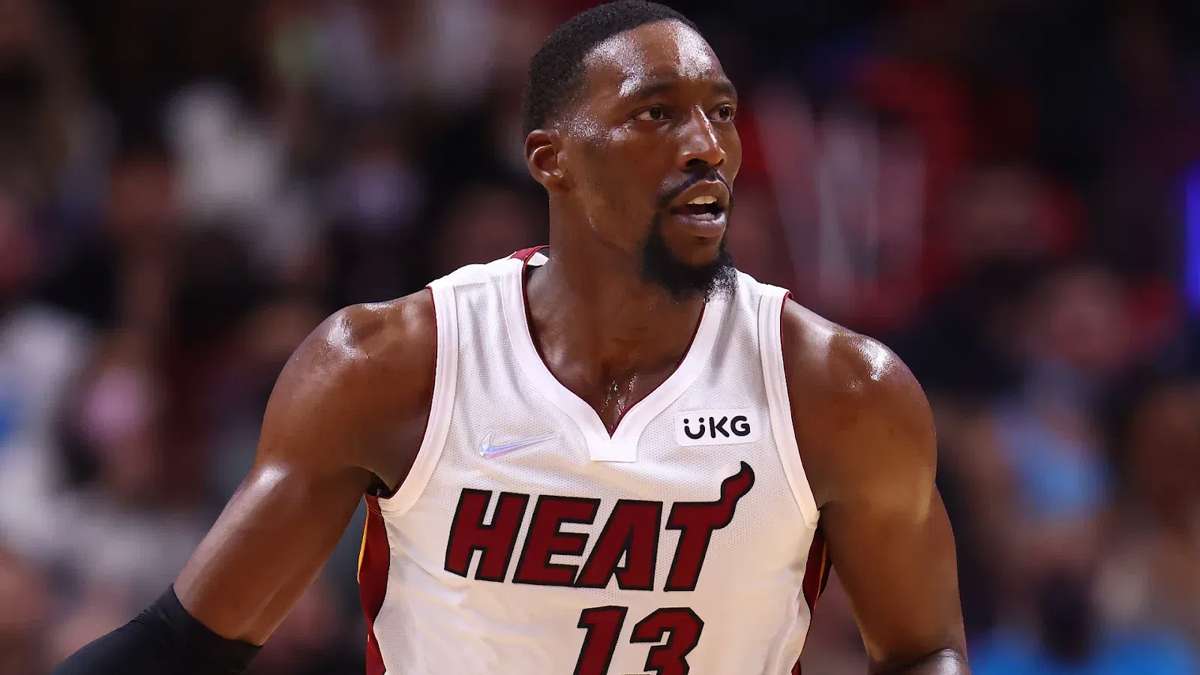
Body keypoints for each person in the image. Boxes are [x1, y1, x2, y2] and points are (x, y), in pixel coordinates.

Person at [55, 2, 969, 673]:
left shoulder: (841, 389)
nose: (707, 146)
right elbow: (187, 644)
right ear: (550, 158)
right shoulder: (392, 365)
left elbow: (922, 650)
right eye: (656, 113)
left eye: (721, 112)